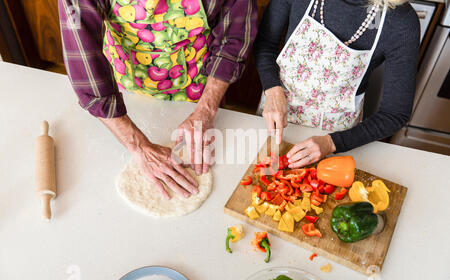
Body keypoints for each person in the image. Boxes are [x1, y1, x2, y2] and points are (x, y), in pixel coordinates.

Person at [58, 0, 257, 199]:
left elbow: (234, 37)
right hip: (123, 97)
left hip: (198, 91)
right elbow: (82, 54)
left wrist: (206, 109)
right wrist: (136, 145)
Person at [254, 0, 419, 168]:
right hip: (274, 117)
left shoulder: (400, 21)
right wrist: (273, 91)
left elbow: (395, 113)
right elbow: (265, 44)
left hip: (338, 137)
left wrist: (331, 143)